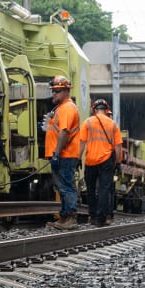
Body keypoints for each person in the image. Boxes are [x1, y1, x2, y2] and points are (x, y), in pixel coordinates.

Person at [45, 75, 81, 229]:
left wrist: (56, 153)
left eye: (58, 91)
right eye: (53, 90)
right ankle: (64, 217)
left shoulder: (67, 108)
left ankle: (70, 218)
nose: (54, 93)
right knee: (62, 186)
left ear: (66, 91)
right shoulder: (62, 108)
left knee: (66, 186)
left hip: (65, 155)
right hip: (63, 154)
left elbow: (64, 132)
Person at [79, 99, 122, 226]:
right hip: (106, 160)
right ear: (106, 110)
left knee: (91, 189)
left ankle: (92, 216)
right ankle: (102, 218)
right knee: (104, 189)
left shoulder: (87, 122)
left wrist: (77, 159)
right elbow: (118, 147)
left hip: (90, 161)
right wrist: (118, 162)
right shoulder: (113, 124)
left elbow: (81, 142)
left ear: (94, 110)